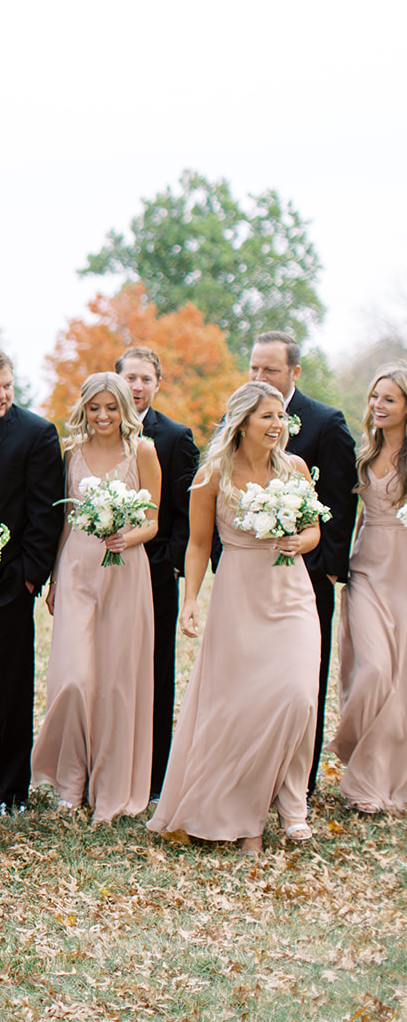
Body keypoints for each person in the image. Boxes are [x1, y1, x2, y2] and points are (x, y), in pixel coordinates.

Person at [149, 382, 320, 853]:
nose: (278, 425)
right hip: (239, 594)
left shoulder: (295, 468)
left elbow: (313, 530)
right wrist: (191, 600)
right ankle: (246, 818)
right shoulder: (212, 475)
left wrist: (298, 542)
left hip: (291, 594)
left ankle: (292, 807)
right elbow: (200, 543)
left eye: (281, 417)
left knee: (299, 697)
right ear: (243, 421)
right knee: (243, 707)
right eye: (268, 416)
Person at [31, 372, 160, 823]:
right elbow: (64, 522)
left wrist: (130, 536)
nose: (102, 416)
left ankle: (108, 785)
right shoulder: (71, 454)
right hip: (77, 570)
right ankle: (70, 779)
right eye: (94, 408)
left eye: (110, 407)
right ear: (84, 409)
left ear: (124, 408)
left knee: (115, 684)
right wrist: (53, 577)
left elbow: (153, 519)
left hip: (125, 571)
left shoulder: (141, 451)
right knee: (73, 679)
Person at [247, 331, 358, 796]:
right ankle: (253, 771)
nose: (259, 377)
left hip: (307, 578)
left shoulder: (326, 422)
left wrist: (329, 566)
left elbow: (339, 499)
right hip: (250, 577)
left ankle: (298, 784)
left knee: (301, 680)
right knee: (254, 675)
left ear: (294, 372)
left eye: (269, 370)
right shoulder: (239, 415)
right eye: (253, 368)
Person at [0, 346, 63, 814]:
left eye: (7, 386)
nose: (1, 395)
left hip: (9, 586)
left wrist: (26, 580)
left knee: (13, 692)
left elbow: (46, 515)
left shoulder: (38, 434)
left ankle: (12, 793)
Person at [115, 347, 199, 800]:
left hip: (153, 571)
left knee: (155, 669)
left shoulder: (176, 437)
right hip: (106, 574)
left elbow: (186, 512)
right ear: (117, 380)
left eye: (146, 379)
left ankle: (153, 776)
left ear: (157, 384)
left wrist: (165, 559)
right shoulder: (96, 433)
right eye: (130, 377)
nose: (138, 386)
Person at [330, 366, 407, 813]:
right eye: (375, 396)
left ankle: (375, 783)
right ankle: (353, 740)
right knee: (375, 670)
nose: (377, 405)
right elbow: (351, 515)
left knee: (399, 682)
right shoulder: (363, 453)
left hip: (403, 573)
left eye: (390, 399)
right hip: (367, 572)